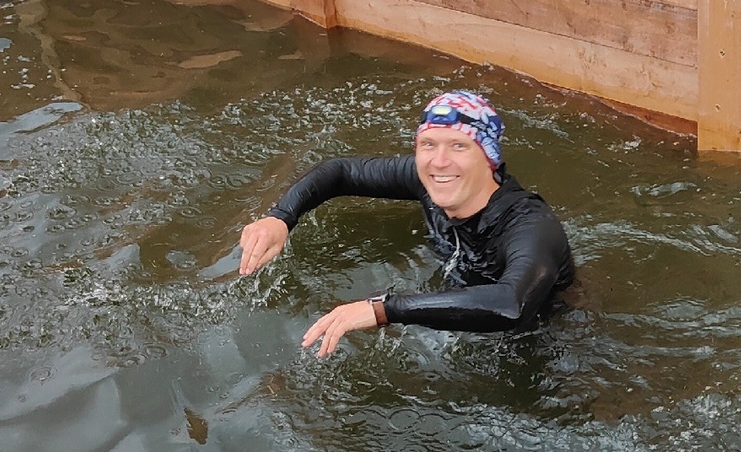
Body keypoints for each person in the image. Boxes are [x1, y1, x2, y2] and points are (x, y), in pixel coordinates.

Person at [238, 91, 574, 355]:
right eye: (428, 145)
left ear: (488, 158)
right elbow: (341, 171)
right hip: (457, 312)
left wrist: (384, 310)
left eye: (459, 146)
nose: (439, 162)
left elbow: (510, 304)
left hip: (547, 343)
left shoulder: (531, 226)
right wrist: (280, 218)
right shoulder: (424, 179)